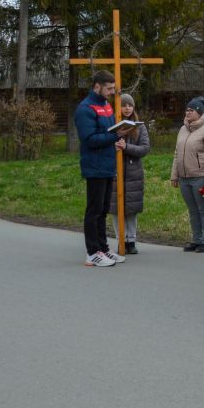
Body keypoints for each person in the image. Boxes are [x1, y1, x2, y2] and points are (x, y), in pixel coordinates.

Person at [75, 70, 130, 267]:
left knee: (104, 209)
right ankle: (92, 252)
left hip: (108, 165)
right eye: (108, 89)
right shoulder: (85, 108)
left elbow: (108, 132)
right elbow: (89, 140)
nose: (111, 93)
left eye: (113, 89)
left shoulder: (106, 105)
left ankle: (103, 248)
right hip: (94, 166)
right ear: (97, 86)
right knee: (94, 210)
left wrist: (119, 133)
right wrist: (116, 136)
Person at [170, 97, 204, 252]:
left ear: (199, 112)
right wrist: (174, 175)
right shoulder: (183, 129)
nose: (188, 112)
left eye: (191, 110)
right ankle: (196, 239)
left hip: (200, 177)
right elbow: (177, 153)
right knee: (192, 210)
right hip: (184, 178)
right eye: (187, 110)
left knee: (203, 209)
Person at [108, 93, 150, 255]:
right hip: (115, 173)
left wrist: (127, 148)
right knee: (117, 209)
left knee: (131, 209)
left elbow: (145, 148)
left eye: (130, 105)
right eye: (124, 105)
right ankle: (121, 240)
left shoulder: (139, 126)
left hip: (133, 174)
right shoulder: (112, 124)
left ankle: (131, 240)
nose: (127, 108)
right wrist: (115, 146)